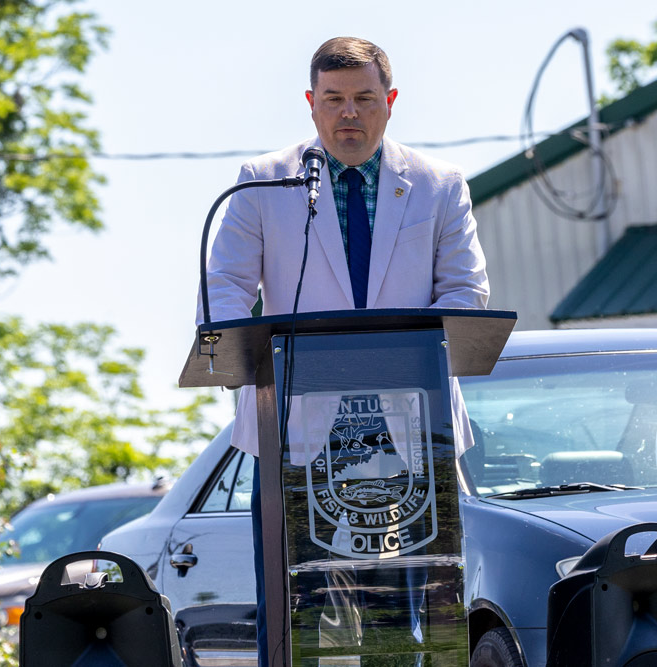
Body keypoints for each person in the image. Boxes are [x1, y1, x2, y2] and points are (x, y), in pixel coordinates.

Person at [200, 37, 489, 665]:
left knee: (400, 628)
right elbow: (223, 286)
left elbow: (466, 293)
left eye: (363, 98)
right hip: (294, 436)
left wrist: (424, 343)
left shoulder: (438, 186)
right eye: (333, 99)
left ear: (389, 102)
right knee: (297, 623)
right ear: (311, 104)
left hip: (413, 435)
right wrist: (229, 346)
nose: (348, 114)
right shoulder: (263, 180)